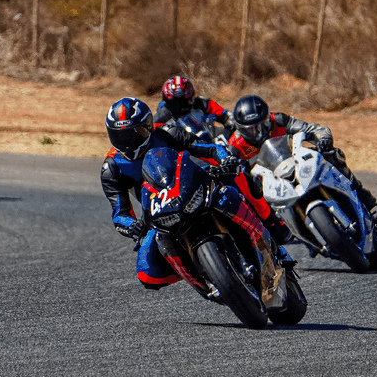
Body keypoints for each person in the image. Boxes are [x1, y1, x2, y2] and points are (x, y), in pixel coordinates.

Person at [101, 97, 291, 294]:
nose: (127, 142)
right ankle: (201, 278)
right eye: (118, 136)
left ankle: (272, 228)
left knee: (239, 176)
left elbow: (209, 148)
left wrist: (225, 159)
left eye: (133, 134)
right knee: (147, 273)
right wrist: (132, 225)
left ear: (148, 126)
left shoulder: (166, 132)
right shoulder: (111, 168)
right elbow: (120, 214)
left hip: (193, 182)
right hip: (157, 210)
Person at [228, 94, 377, 211]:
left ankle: (358, 191)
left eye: (263, 125)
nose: (259, 132)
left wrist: (322, 139)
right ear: (241, 129)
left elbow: (312, 129)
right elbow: (232, 171)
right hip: (269, 185)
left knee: (333, 154)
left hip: (296, 162)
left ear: (268, 117)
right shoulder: (235, 145)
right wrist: (239, 171)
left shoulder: (278, 120)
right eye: (252, 129)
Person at [153, 75, 233, 130]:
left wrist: (230, 120)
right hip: (180, 146)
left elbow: (225, 113)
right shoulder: (162, 114)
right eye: (175, 102)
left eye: (184, 101)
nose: (180, 106)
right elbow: (152, 130)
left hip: (209, 142)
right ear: (167, 100)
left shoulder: (201, 103)